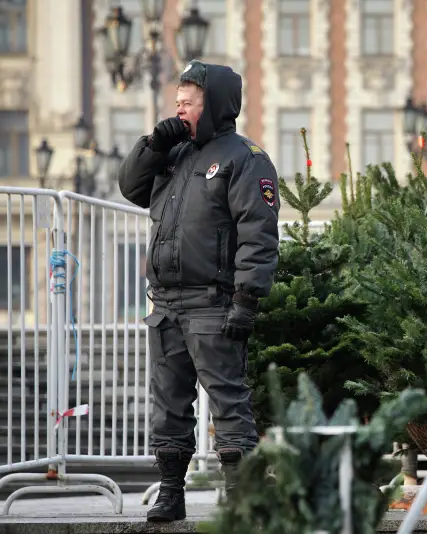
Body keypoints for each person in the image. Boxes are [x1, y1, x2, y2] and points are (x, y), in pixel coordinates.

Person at [117, 60, 280, 522]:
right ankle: (171, 493)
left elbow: (258, 233)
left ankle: (239, 497)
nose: (179, 109)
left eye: (188, 102)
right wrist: (153, 144)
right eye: (177, 102)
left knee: (228, 401)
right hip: (166, 303)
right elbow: (131, 187)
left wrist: (247, 299)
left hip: (214, 301)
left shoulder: (243, 158)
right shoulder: (173, 154)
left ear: (213, 105)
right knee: (168, 404)